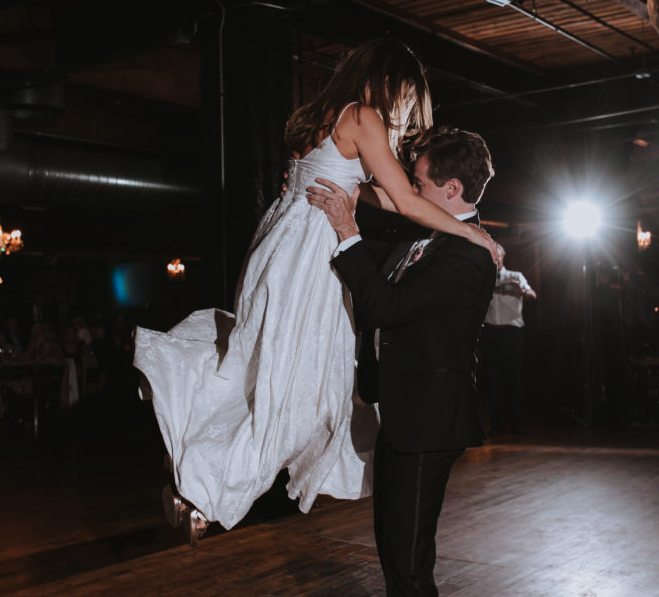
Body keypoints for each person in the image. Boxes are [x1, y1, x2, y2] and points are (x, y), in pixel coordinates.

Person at [133, 38, 499, 545]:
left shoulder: (321, 116)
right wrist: (471, 231)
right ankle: (205, 491)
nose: (402, 112)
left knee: (265, 369)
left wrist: (364, 196)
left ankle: (199, 481)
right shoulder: (363, 116)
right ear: (388, 83)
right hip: (311, 254)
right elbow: (408, 203)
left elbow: (369, 191)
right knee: (298, 387)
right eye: (405, 99)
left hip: (281, 243)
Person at [307, 126, 497, 596]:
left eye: (418, 183)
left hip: (430, 420)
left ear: (452, 190)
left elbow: (385, 307)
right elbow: (367, 267)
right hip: (402, 414)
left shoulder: (471, 255)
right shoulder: (424, 236)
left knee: (408, 560)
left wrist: (348, 230)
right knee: (394, 550)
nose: (408, 191)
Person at [481, 244, 536, 435]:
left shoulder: (515, 276)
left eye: (495, 254)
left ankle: (516, 423)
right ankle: (497, 425)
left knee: (513, 379)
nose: (493, 258)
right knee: (493, 380)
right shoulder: (483, 280)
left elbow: (532, 295)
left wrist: (519, 290)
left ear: (502, 256)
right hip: (490, 333)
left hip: (512, 333)